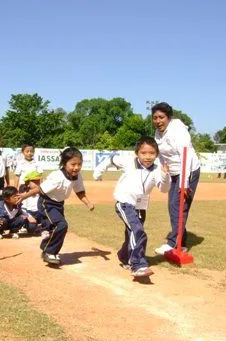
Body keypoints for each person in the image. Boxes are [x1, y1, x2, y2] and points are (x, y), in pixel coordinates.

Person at [94, 136, 170, 278]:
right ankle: (138, 265)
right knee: (138, 231)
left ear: (157, 154)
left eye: (152, 153)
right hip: (124, 203)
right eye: (143, 153)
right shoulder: (128, 161)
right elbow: (110, 160)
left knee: (132, 233)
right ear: (137, 153)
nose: (148, 156)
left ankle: (124, 256)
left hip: (141, 206)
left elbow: (164, 189)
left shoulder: (157, 169)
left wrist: (165, 175)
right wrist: (98, 172)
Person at [20, 147, 94, 265]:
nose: (76, 167)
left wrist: (88, 202)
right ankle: (48, 251)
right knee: (61, 225)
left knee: (59, 227)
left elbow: (80, 192)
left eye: (79, 164)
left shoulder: (77, 176)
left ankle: (49, 246)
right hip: (47, 203)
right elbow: (40, 189)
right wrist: (24, 196)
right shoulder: (57, 176)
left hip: (59, 204)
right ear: (64, 164)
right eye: (73, 164)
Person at [151, 102, 201, 255]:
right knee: (172, 206)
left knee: (178, 206)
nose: (158, 121)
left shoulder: (178, 131)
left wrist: (185, 183)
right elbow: (160, 156)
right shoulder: (158, 134)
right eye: (155, 118)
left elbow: (186, 156)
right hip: (173, 172)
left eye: (161, 117)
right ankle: (181, 242)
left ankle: (173, 243)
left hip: (188, 170)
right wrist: (163, 173)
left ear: (169, 117)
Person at [18, 170, 46, 236]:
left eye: (38, 181)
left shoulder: (42, 192)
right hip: (29, 214)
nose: (38, 183)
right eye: (35, 182)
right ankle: (25, 226)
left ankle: (41, 227)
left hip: (39, 213)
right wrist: (29, 217)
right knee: (31, 227)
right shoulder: (24, 194)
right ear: (28, 183)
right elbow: (22, 208)